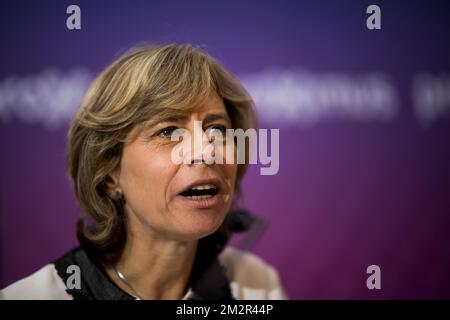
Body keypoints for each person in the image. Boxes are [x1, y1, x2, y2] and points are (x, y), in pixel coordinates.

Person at [0, 44, 287, 300]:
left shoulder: (254, 285)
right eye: (169, 131)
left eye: (217, 129)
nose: (206, 149)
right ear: (110, 173)